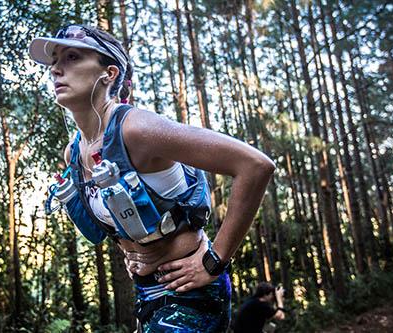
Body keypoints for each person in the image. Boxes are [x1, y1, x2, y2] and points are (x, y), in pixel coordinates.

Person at [29, 24, 275, 332]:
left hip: (190, 291)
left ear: (110, 73)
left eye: (72, 57)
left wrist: (215, 260)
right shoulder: (74, 152)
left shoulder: (137, 128)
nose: (56, 69)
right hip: (146, 292)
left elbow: (254, 165)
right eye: (53, 61)